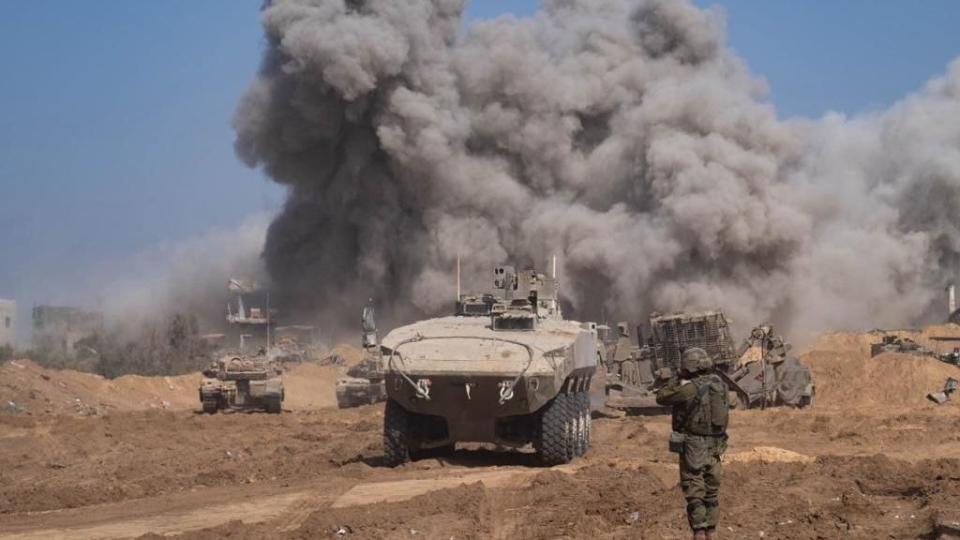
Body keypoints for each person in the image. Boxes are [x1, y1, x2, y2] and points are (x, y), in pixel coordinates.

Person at [656, 347, 730, 540]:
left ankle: (699, 532)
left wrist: (677, 377)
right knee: (712, 490)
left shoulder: (689, 388)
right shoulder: (720, 384)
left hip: (694, 444)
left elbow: (661, 396)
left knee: (694, 489)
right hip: (717, 443)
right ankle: (712, 532)